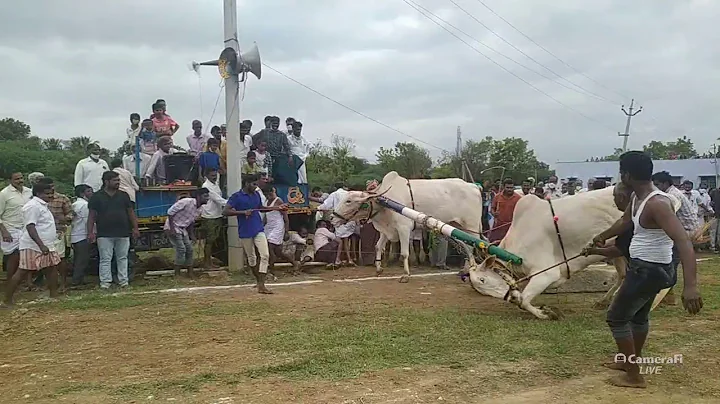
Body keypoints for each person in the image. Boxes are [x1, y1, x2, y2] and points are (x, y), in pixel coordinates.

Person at [591, 151, 702, 389]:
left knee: (616, 318)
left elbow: (683, 242)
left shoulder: (657, 204)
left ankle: (633, 376)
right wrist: (602, 236)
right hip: (647, 269)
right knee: (638, 317)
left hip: (649, 270)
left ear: (627, 175)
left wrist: (691, 287)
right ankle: (628, 363)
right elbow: (624, 222)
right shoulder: (637, 199)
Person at [224, 173, 286, 294]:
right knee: (251, 258)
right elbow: (225, 211)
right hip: (245, 230)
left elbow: (261, 207)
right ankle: (259, 282)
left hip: (258, 228)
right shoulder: (236, 196)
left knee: (265, 255)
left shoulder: (256, 194)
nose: (255, 187)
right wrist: (242, 213)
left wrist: (277, 208)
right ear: (246, 184)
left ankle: (261, 284)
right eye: (254, 184)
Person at [2, 181, 61, 306]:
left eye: (51, 193)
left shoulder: (42, 205)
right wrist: (41, 245)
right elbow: (30, 227)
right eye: (47, 194)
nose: (50, 196)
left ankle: (54, 296)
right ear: (38, 193)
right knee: (22, 271)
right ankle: (7, 300)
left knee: (51, 269)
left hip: (47, 244)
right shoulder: (33, 206)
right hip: (33, 246)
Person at [651, 171, 700, 305]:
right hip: (685, 231)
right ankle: (667, 294)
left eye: (657, 184)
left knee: (670, 263)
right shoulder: (672, 193)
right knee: (671, 262)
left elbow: (666, 217)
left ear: (665, 183)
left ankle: (667, 295)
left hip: (686, 232)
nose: (655, 187)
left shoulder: (671, 196)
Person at [88, 171, 140, 289]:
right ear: (107, 181)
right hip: (104, 233)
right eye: (115, 180)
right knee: (105, 258)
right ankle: (105, 283)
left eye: (118, 180)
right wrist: (90, 232)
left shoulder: (123, 195)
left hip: (123, 231)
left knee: (122, 257)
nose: (118, 182)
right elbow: (91, 216)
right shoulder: (97, 197)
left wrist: (135, 228)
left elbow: (131, 212)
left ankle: (123, 282)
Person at [165, 188, 210, 278]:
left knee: (189, 249)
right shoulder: (186, 202)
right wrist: (172, 229)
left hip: (183, 229)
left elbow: (191, 222)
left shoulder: (200, 209)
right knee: (181, 249)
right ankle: (177, 274)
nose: (207, 198)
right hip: (173, 226)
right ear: (198, 196)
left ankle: (190, 272)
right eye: (205, 196)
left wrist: (192, 235)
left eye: (208, 196)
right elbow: (170, 212)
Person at [40, 177, 73, 289]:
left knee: (60, 258)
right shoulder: (37, 200)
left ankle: (63, 283)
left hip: (58, 232)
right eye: (49, 186)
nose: (52, 188)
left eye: (53, 185)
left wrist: (65, 218)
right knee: (44, 259)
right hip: (42, 234)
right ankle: (49, 283)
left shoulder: (62, 198)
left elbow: (71, 214)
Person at [0, 172, 32, 285]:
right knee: (13, 256)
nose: (20, 181)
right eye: (16, 179)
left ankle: (28, 283)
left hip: (26, 228)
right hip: (10, 228)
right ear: (10, 180)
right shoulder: (4, 194)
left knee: (26, 254)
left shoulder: (29, 192)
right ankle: (10, 280)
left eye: (21, 178)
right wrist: (4, 231)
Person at [263, 187, 300, 275]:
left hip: (278, 227)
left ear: (273, 191)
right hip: (268, 226)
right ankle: (294, 263)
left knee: (270, 246)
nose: (269, 196)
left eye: (270, 193)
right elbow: (265, 215)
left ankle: (271, 270)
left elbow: (285, 217)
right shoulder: (265, 202)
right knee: (278, 252)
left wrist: (286, 231)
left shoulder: (278, 201)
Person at [200, 169, 227, 270]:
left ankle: (209, 262)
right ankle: (207, 263)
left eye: (215, 175)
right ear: (207, 175)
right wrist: (232, 203)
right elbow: (218, 199)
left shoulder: (215, 184)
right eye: (212, 175)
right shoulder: (206, 186)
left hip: (217, 214)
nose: (214, 177)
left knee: (213, 240)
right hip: (209, 216)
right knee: (209, 242)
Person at [70, 184, 93, 286]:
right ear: (82, 193)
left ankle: (79, 279)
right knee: (82, 259)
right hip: (82, 235)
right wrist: (91, 233)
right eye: (88, 191)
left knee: (79, 259)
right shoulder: (84, 205)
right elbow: (87, 221)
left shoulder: (76, 204)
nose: (91, 193)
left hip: (76, 234)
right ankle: (76, 280)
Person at [489, 179, 522, 243]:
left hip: (511, 227)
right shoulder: (497, 197)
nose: (509, 189)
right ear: (503, 187)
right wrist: (494, 214)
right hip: (498, 226)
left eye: (511, 188)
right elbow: (492, 209)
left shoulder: (518, 198)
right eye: (507, 187)